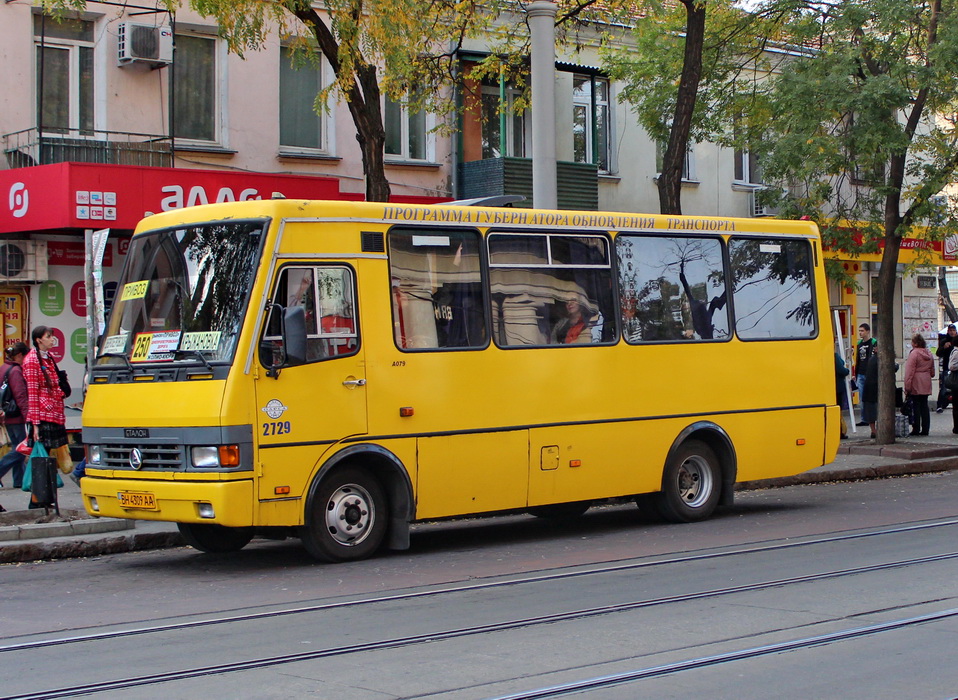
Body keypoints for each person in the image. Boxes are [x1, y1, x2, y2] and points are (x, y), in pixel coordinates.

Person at [22, 326, 68, 509]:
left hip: (52, 413)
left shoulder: (47, 358)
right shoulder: (32, 360)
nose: (52, 340)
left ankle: (45, 498)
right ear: (38, 339)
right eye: (48, 337)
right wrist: (35, 424)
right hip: (42, 415)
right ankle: (37, 500)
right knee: (42, 457)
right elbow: (32, 392)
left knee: (47, 457)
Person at [0, 343, 30, 489]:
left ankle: (19, 480)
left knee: (16, 446)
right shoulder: (16, 371)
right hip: (17, 416)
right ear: (20, 356)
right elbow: (20, 396)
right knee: (20, 450)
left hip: (8, 415)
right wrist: (27, 415)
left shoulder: (4, 368)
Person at [903, 334, 935, 436]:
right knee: (924, 405)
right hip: (926, 381)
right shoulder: (929, 354)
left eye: (912, 342)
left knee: (915, 406)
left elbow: (909, 371)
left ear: (915, 343)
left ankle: (916, 428)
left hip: (916, 381)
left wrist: (907, 385)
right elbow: (933, 372)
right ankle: (925, 429)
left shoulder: (914, 354)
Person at [854, 323, 877, 426]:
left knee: (869, 399)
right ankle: (864, 419)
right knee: (862, 398)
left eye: (862, 331)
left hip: (869, 374)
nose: (860, 333)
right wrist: (856, 373)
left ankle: (870, 418)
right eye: (859, 331)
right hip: (861, 373)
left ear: (867, 331)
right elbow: (858, 359)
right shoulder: (859, 344)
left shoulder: (873, 342)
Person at [935, 323, 957, 412]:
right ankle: (939, 405)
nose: (952, 332)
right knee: (944, 387)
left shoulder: (957, 341)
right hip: (947, 367)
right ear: (948, 331)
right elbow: (938, 353)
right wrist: (944, 347)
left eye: (953, 330)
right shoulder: (944, 340)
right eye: (950, 330)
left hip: (956, 368)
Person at [835, 352, 850, 439]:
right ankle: (840, 431)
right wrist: (847, 371)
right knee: (838, 410)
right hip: (838, 386)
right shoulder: (835, 356)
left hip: (832, 386)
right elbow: (841, 370)